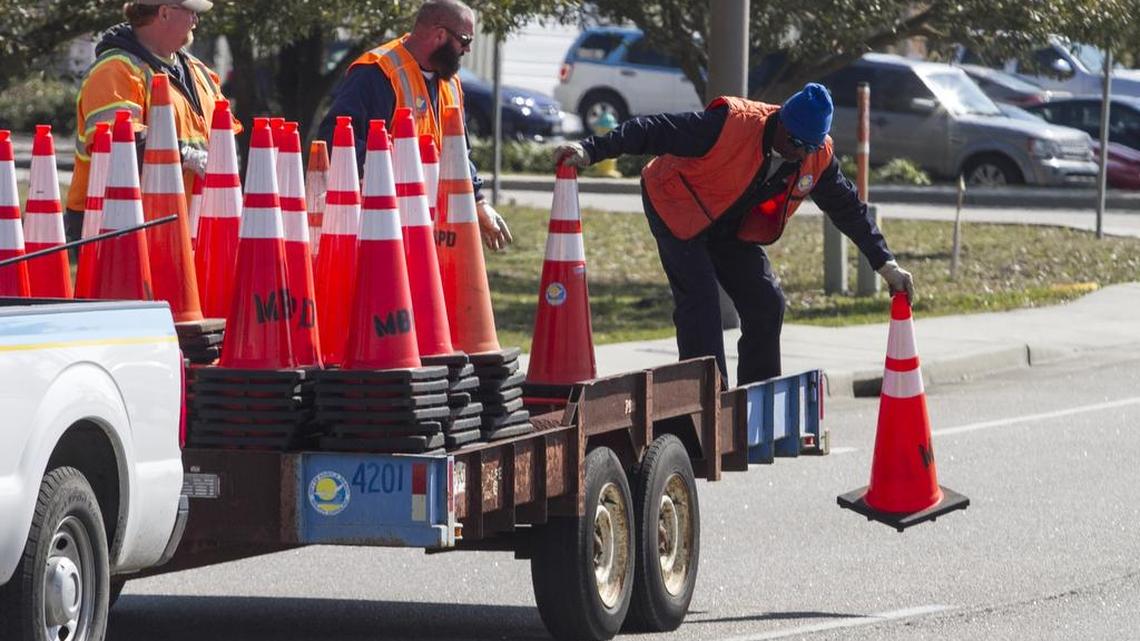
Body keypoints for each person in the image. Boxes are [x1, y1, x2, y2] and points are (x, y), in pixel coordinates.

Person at [554, 83, 915, 387]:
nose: (798, 154)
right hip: (676, 203)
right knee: (701, 304)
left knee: (766, 302)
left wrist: (886, 264)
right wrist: (592, 150)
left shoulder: (815, 156)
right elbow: (652, 129)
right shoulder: (730, 124)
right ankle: (704, 403)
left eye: (809, 146)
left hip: (728, 223)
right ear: (781, 122)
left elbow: (849, 209)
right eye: (794, 143)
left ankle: (756, 398)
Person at [316, 0, 512, 251]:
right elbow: (336, 138)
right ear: (440, 34)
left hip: (435, 231)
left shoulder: (450, 83)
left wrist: (477, 200)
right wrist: (389, 175)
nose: (467, 50)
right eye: (465, 40)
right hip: (383, 229)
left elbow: (458, 153)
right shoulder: (377, 72)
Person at [66, 0, 238, 244]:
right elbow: (122, 145)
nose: (196, 21)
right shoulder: (115, 71)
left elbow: (227, 140)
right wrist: (187, 156)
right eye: (190, 12)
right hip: (121, 231)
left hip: (190, 225)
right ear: (165, 13)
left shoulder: (200, 73)